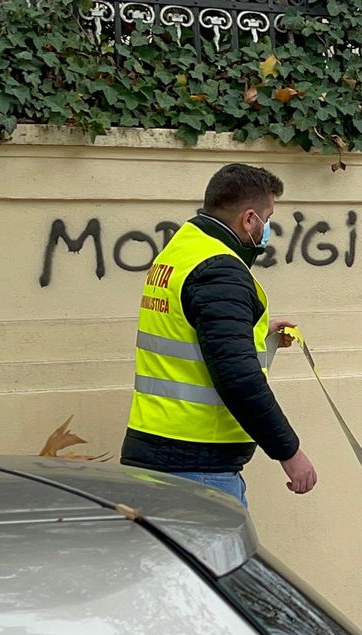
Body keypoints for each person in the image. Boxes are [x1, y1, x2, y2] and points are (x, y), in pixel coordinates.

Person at [120, 163, 317, 507]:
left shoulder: (182, 250)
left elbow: (190, 330)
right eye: (267, 218)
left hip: (159, 449)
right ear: (249, 219)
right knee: (218, 563)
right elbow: (238, 377)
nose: (268, 228)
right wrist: (290, 452)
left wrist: (255, 330)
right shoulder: (221, 271)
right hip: (196, 466)